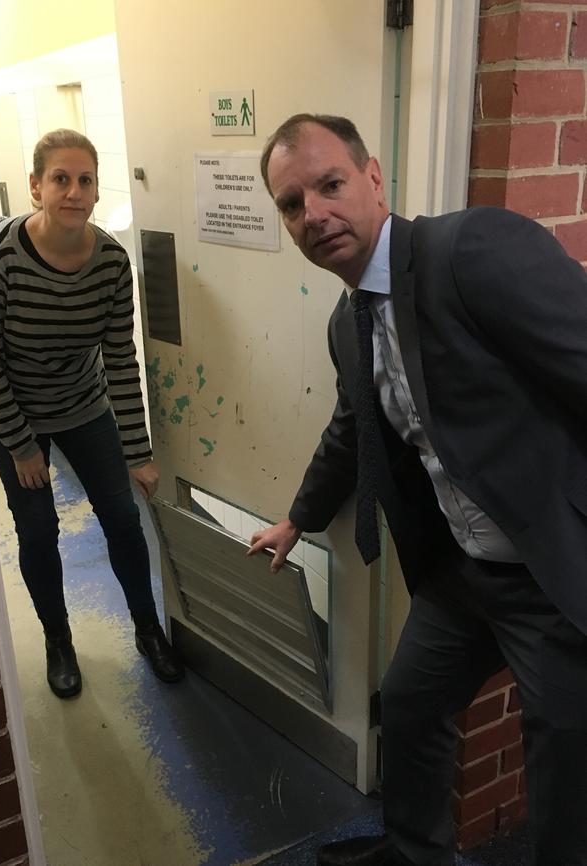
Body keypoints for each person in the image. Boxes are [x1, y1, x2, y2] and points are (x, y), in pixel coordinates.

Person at [248, 113, 587, 866]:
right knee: (408, 705)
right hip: (461, 573)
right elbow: (353, 427)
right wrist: (297, 520)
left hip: (553, 574)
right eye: (293, 204)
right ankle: (413, 852)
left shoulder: (471, 251)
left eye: (331, 185)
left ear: (373, 178)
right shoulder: (348, 323)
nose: (315, 215)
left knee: (565, 765)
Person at [0, 128, 184, 699]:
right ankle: (57, 640)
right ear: (36, 186)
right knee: (38, 529)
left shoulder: (110, 263)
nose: (74, 191)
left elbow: (119, 357)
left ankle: (147, 629)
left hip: (83, 406)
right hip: (11, 413)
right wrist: (21, 445)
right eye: (60, 178)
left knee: (123, 518)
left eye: (85, 180)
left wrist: (137, 452)